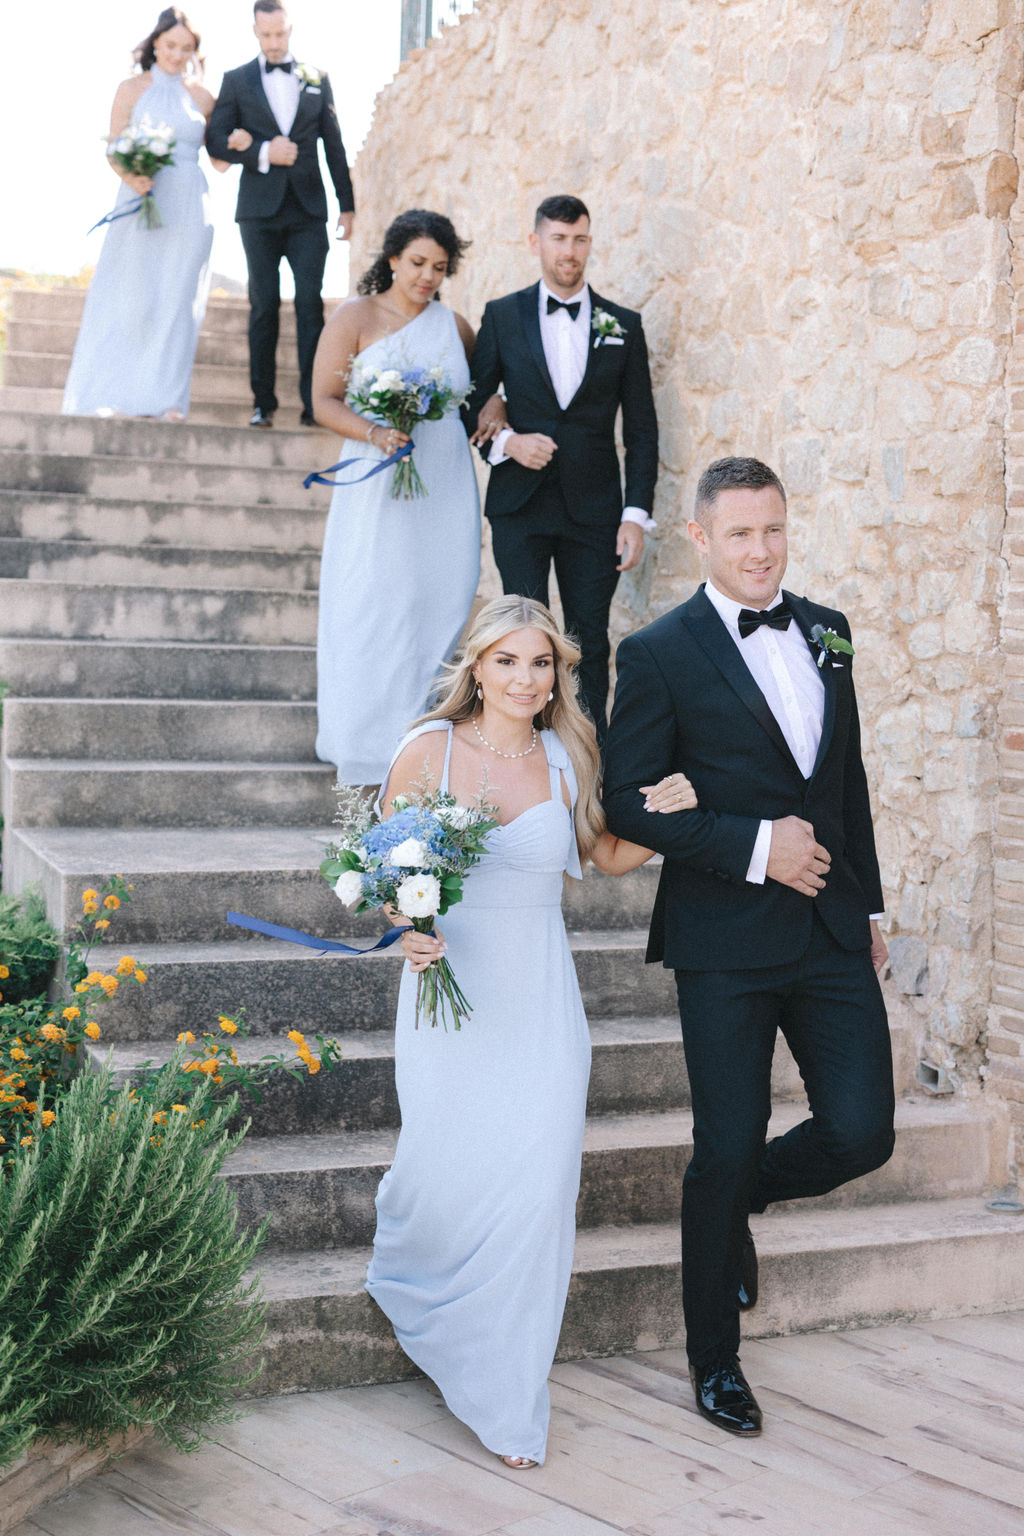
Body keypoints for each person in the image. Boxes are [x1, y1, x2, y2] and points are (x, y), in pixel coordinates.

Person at [602, 456, 896, 1438]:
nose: (761, 550)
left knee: (862, 1132)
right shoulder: (657, 653)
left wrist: (870, 909)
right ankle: (713, 1363)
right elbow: (624, 801)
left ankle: (731, 1216)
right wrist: (751, 845)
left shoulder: (826, 629)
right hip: (723, 941)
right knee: (721, 1144)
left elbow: (841, 778)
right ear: (701, 537)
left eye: (772, 529)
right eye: (739, 534)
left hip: (826, 929)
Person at [365, 595, 695, 1468]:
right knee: (451, 1165)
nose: (525, 678)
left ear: (559, 673)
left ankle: (504, 1391)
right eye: (508, 661)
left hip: (542, 999)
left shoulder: (565, 753)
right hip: (454, 989)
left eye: (541, 662)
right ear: (476, 666)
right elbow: (389, 873)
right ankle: (429, 1297)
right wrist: (410, 927)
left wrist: (669, 812)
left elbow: (599, 854)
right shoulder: (425, 750)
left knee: (542, 1183)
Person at [464, 194, 659, 743]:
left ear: (589, 243)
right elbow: (471, 401)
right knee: (522, 639)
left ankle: (585, 764)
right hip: (519, 505)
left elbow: (642, 430)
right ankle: (518, 752)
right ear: (536, 242)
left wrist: (635, 515)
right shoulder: (502, 315)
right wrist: (506, 442)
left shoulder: (624, 325)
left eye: (579, 239)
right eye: (558, 238)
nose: (569, 251)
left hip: (596, 511)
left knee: (588, 641)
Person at [311, 210, 489, 786]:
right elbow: (323, 401)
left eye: (439, 268)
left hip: (444, 483)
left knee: (440, 599)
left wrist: (499, 409)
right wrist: (377, 432)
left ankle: (422, 735)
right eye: (417, 263)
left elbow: (485, 394)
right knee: (376, 603)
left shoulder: (456, 326)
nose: (427, 277)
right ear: (392, 259)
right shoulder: (355, 317)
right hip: (378, 482)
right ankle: (362, 738)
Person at [62, 8, 224, 421]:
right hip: (140, 199)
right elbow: (114, 145)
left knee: (177, 299)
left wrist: (239, 140)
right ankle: (116, 392)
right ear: (156, 43)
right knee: (133, 297)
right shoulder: (130, 88)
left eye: (186, 48)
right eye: (171, 45)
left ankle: (167, 399)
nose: (177, 54)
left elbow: (220, 160)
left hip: (189, 205)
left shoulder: (203, 97)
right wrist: (132, 177)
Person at [206, 0, 355, 428]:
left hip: (309, 210)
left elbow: (335, 145)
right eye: (266, 34)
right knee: (263, 305)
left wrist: (347, 206)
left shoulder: (316, 78)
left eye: (281, 34)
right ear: (255, 31)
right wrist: (262, 151)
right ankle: (263, 404)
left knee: (310, 307)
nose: (274, 43)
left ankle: (315, 405)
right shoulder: (236, 80)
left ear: (291, 29)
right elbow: (215, 140)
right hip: (258, 213)